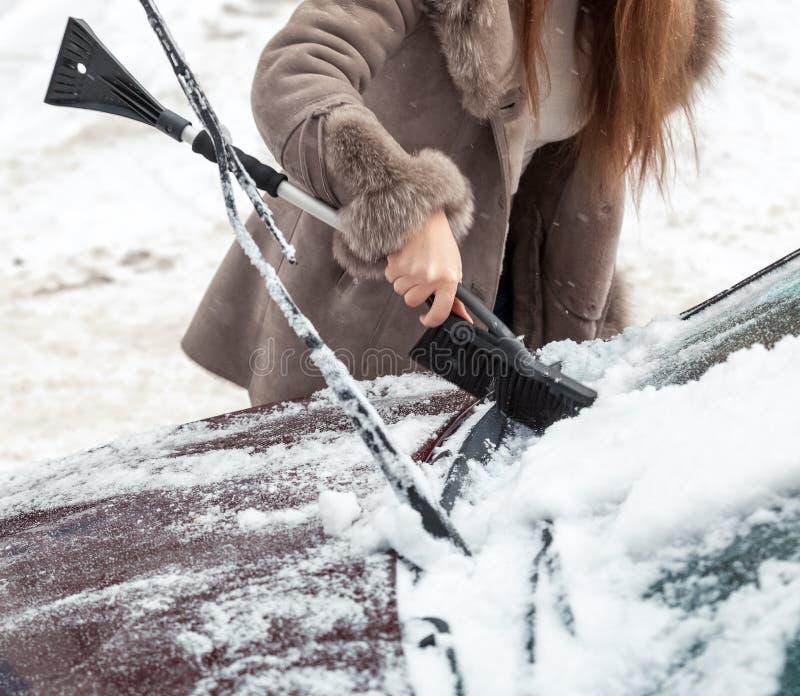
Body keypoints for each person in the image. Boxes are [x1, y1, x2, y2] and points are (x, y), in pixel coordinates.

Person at [182, 0, 722, 405]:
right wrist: (401, 204)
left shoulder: (659, 18)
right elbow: (296, 70)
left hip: (518, 308)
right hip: (378, 301)